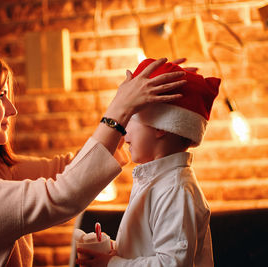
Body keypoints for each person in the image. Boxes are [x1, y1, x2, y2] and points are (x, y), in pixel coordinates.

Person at [0, 46, 186, 266]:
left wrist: (153, 127)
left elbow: (66, 168)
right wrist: (118, 112)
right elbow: (63, 194)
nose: (12, 109)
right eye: (0, 96)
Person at [76, 58, 220, 267]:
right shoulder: (156, 182)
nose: (123, 129)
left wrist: (111, 264)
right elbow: (149, 250)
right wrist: (112, 251)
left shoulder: (175, 190)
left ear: (161, 126)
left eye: (132, 118)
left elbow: (172, 264)